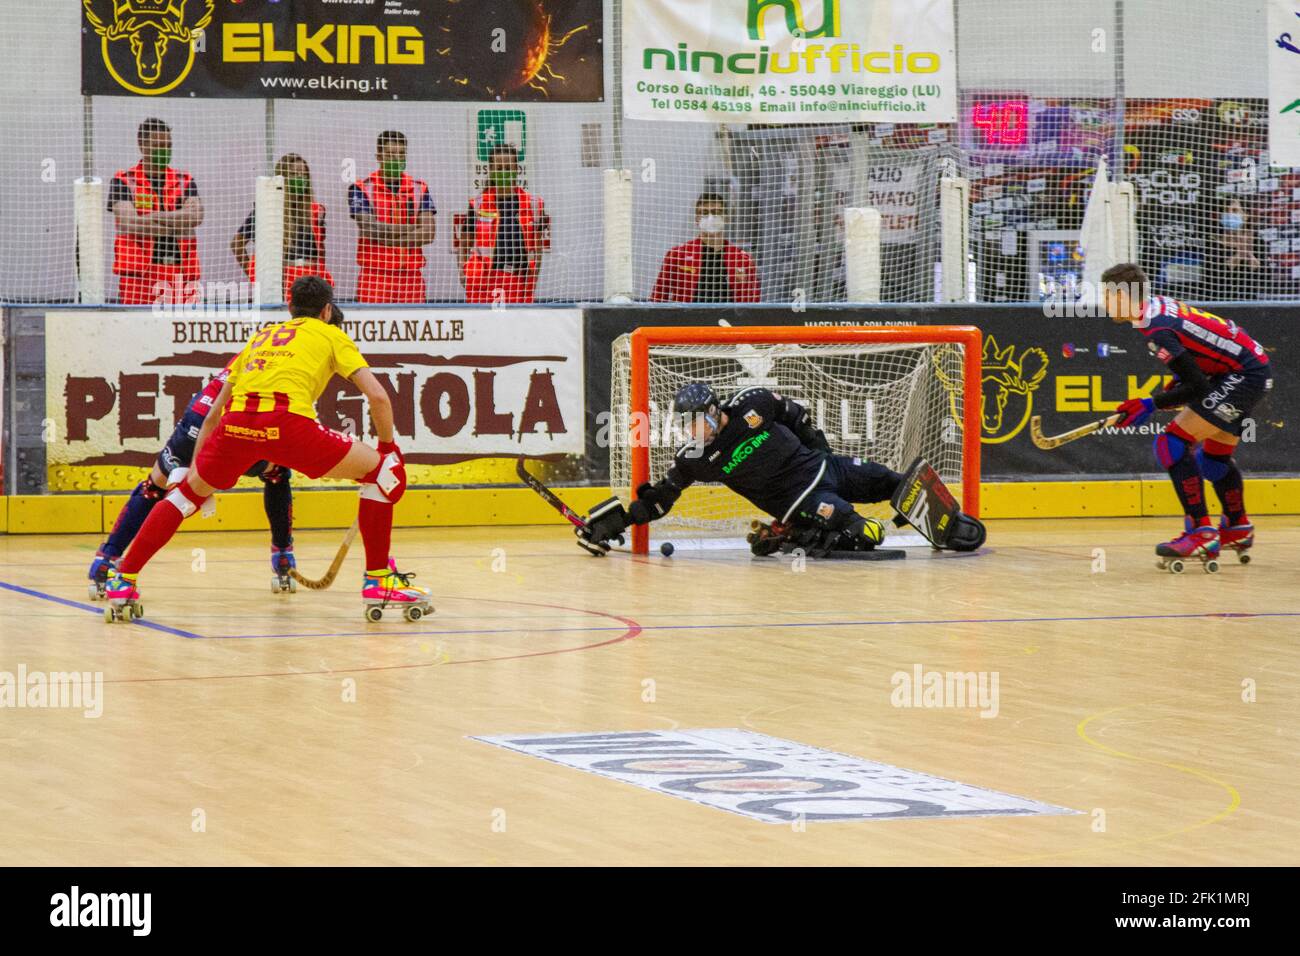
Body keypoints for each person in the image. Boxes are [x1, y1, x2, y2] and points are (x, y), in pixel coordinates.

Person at [104, 276, 431, 623]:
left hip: (235, 427)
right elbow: (378, 396)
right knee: (382, 473)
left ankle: (123, 579)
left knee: (184, 496)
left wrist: (199, 469)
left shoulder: (260, 337)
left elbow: (214, 412)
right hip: (288, 426)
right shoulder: (333, 334)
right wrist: (388, 447)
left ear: (290, 308)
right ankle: (379, 580)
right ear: (327, 310)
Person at [576, 382, 985, 557]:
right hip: (799, 500)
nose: (691, 428)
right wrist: (627, 519)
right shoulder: (693, 459)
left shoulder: (752, 404)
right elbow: (663, 497)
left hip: (826, 469)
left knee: (892, 481)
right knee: (866, 531)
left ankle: (949, 528)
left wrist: (821, 452)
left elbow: (795, 414)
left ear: (715, 411)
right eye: (686, 423)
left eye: (697, 420)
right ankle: (806, 531)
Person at [1102, 262, 1273, 567]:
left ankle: (1201, 532)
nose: (1103, 303)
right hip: (1247, 370)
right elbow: (1196, 369)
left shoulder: (1158, 330)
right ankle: (1236, 526)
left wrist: (1150, 404)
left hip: (1242, 375)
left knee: (1171, 443)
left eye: (1108, 296)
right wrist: (1167, 394)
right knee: (1212, 459)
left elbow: (1197, 387)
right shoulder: (1156, 310)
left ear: (1124, 296)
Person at [87, 350, 295, 598]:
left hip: (198, 417)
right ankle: (283, 555)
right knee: (277, 473)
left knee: (154, 488)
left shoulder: (259, 345)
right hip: (231, 424)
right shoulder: (295, 360)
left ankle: (107, 559)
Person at [108, 117, 204, 305]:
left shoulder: (184, 180)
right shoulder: (124, 181)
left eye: (168, 145)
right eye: (158, 145)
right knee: (136, 329)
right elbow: (130, 222)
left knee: (180, 328)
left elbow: (196, 216)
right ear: (142, 145)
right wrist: (177, 220)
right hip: (139, 276)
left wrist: (155, 217)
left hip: (181, 272)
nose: (164, 150)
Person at [231, 153, 334, 301]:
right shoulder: (268, 211)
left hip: (311, 284)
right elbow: (237, 244)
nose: (299, 178)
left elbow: (319, 253)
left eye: (303, 175)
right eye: (293, 174)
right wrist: (255, 274)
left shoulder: (314, 211)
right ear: (283, 178)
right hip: (281, 283)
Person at [350, 130, 436, 303]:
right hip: (375, 275)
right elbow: (369, 229)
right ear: (379, 156)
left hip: (411, 276)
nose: (396, 159)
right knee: (374, 326)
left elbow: (428, 234)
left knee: (415, 327)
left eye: (401, 154)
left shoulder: (420, 188)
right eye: (390, 154)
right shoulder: (361, 188)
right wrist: (413, 228)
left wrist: (389, 239)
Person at [650, 193, 760, 303]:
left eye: (716, 212)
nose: (711, 218)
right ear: (697, 219)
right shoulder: (677, 255)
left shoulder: (742, 259)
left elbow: (753, 301)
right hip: (688, 319)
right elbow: (658, 296)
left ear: (726, 218)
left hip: (727, 320)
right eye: (705, 213)